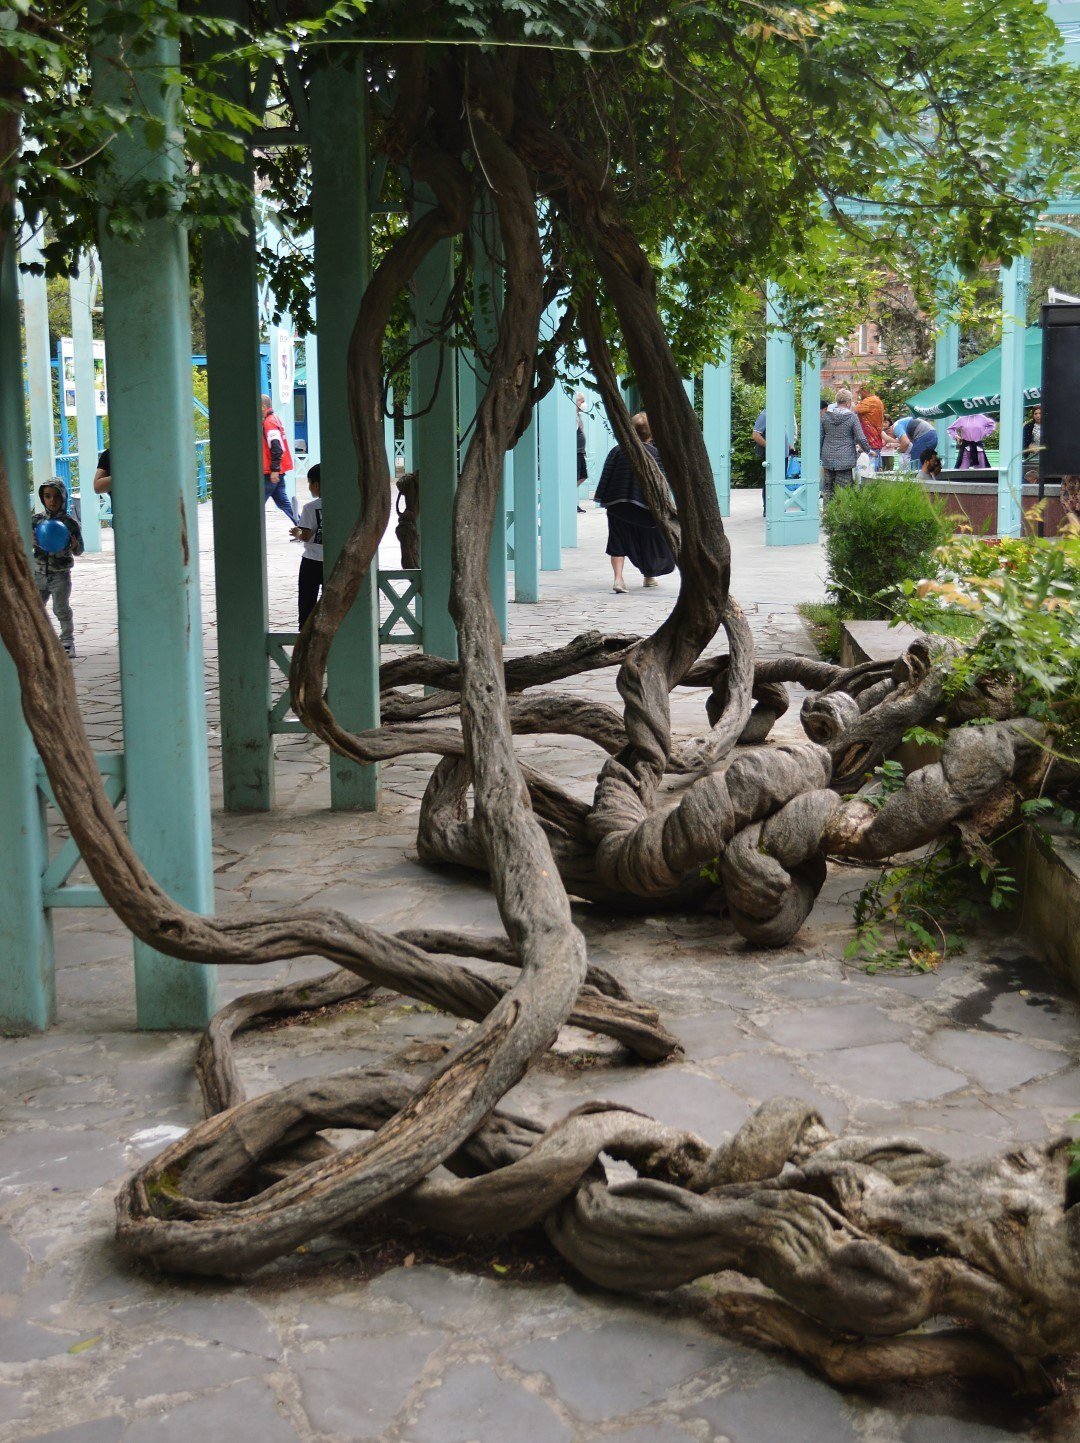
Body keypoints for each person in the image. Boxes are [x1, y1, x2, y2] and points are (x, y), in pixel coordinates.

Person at [593, 412, 676, 593]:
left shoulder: (617, 451)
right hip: (646, 508)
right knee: (649, 539)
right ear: (652, 433)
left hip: (618, 506)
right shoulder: (655, 454)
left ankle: (618, 579)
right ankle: (649, 575)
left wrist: (604, 499)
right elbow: (661, 482)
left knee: (617, 541)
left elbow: (606, 476)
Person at [31, 478, 84, 658]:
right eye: (47, 496)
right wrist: (30, 541)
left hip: (60, 575)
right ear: (42, 498)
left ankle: (67, 642)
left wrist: (74, 545)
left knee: (60, 608)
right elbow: (23, 543)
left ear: (63, 498)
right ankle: (38, 641)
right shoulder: (36, 521)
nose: (52, 501)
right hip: (38, 573)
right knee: (36, 608)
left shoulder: (70, 524)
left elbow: (79, 550)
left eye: (56, 497)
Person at [290, 464, 324, 627]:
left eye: (309, 483)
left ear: (316, 485)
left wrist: (296, 532)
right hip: (333, 561)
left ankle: (305, 633)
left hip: (311, 561)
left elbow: (306, 535)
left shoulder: (310, 508)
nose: (309, 487)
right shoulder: (341, 505)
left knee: (307, 602)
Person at [820, 388, 870, 496]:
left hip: (827, 457)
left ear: (837, 402)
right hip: (845, 459)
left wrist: (820, 455)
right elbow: (861, 438)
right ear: (848, 403)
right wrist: (868, 450)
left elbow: (820, 437)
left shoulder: (825, 417)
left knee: (828, 490)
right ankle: (841, 512)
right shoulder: (852, 418)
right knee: (843, 492)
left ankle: (827, 512)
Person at [262, 393, 296, 524]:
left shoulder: (269, 422)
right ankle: (303, 529)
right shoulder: (275, 418)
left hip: (271, 472)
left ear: (263, 407)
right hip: (278, 470)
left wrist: (274, 469)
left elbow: (276, 447)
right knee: (283, 503)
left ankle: (247, 530)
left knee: (257, 504)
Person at [854, 384, 885, 470]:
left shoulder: (868, 401)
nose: (860, 395)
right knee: (876, 468)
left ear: (864, 390)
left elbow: (854, 410)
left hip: (869, 440)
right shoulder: (878, 400)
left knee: (868, 470)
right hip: (876, 438)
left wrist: (855, 397)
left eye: (860, 392)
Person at [575, 392, 589, 513]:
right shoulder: (572, 416)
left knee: (583, 476)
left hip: (580, 452)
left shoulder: (578, 415)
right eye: (581, 401)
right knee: (576, 477)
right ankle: (570, 499)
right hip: (575, 452)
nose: (583, 404)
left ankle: (570, 496)